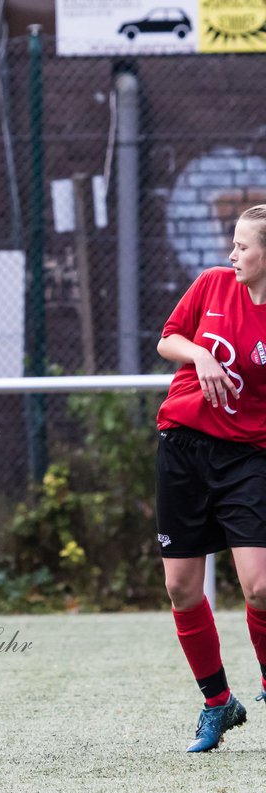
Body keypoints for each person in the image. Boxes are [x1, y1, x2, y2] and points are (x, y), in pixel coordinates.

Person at [155, 203, 266, 753]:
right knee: (180, 587)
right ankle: (219, 704)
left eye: (243, 246)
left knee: (261, 586)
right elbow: (167, 339)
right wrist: (200, 354)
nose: (232, 254)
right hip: (182, 448)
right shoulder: (212, 285)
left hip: (247, 458)